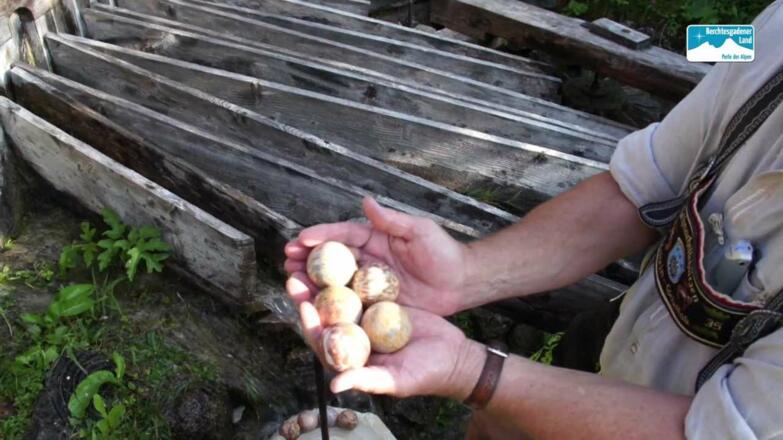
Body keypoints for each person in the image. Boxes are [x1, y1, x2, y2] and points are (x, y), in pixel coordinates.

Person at [284, 1, 783, 438]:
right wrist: (465, 274)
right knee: (500, 419)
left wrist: (473, 372)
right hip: (624, 337)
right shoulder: (775, 35)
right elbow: (643, 187)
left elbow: (716, 431)